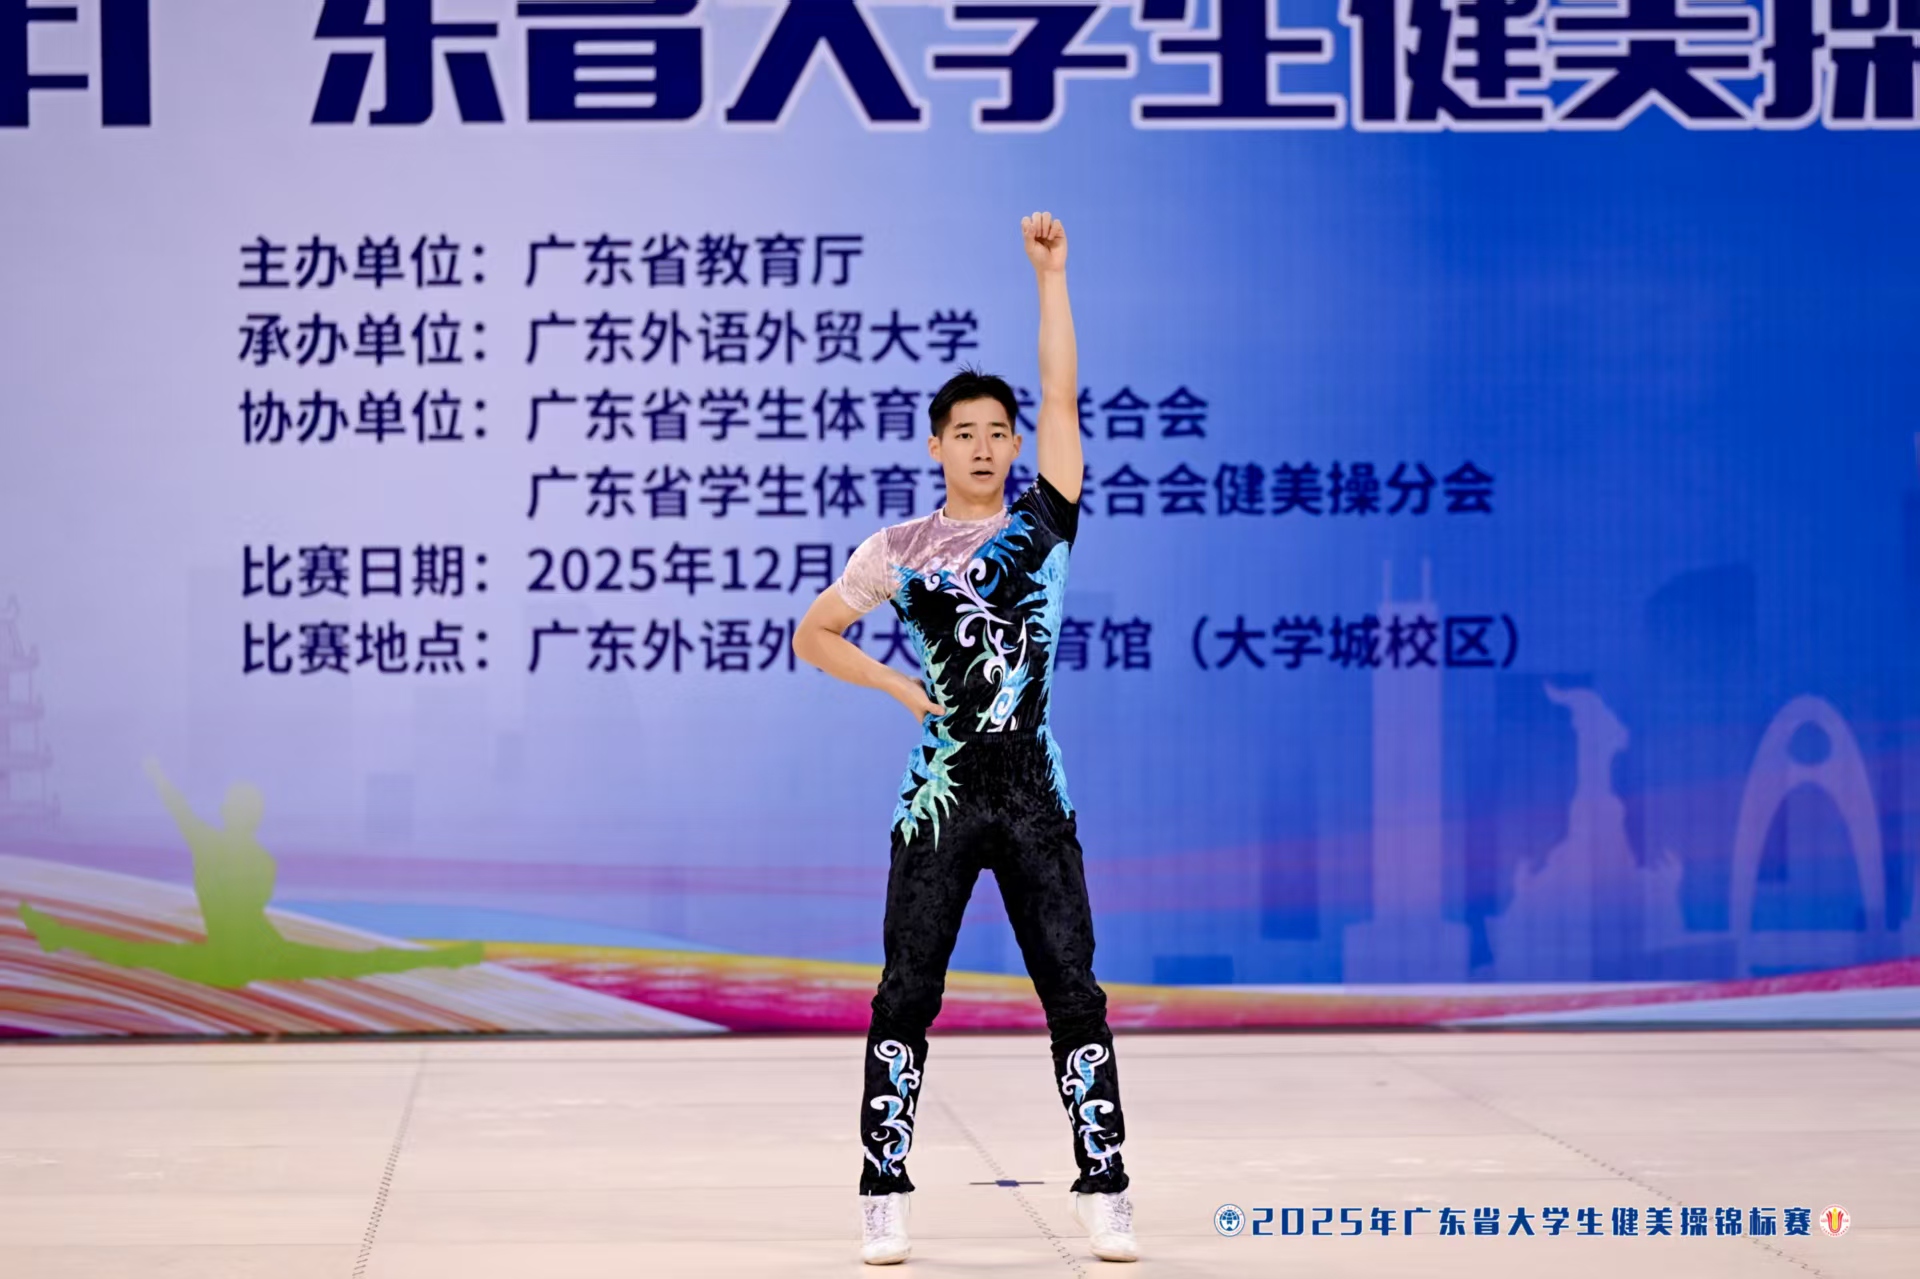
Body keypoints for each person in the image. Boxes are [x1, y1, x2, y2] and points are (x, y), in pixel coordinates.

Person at [793, 212, 1137, 1266]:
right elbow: (814, 633)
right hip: (941, 791)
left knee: (1072, 989)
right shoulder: (897, 549)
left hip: (1034, 784)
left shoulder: (1046, 522)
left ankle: (1106, 1186)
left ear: (1016, 446)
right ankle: (882, 1189)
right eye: (965, 433)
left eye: (999, 432)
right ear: (936, 446)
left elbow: (1064, 394)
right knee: (908, 989)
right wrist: (899, 688)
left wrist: (1052, 276)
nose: (984, 446)